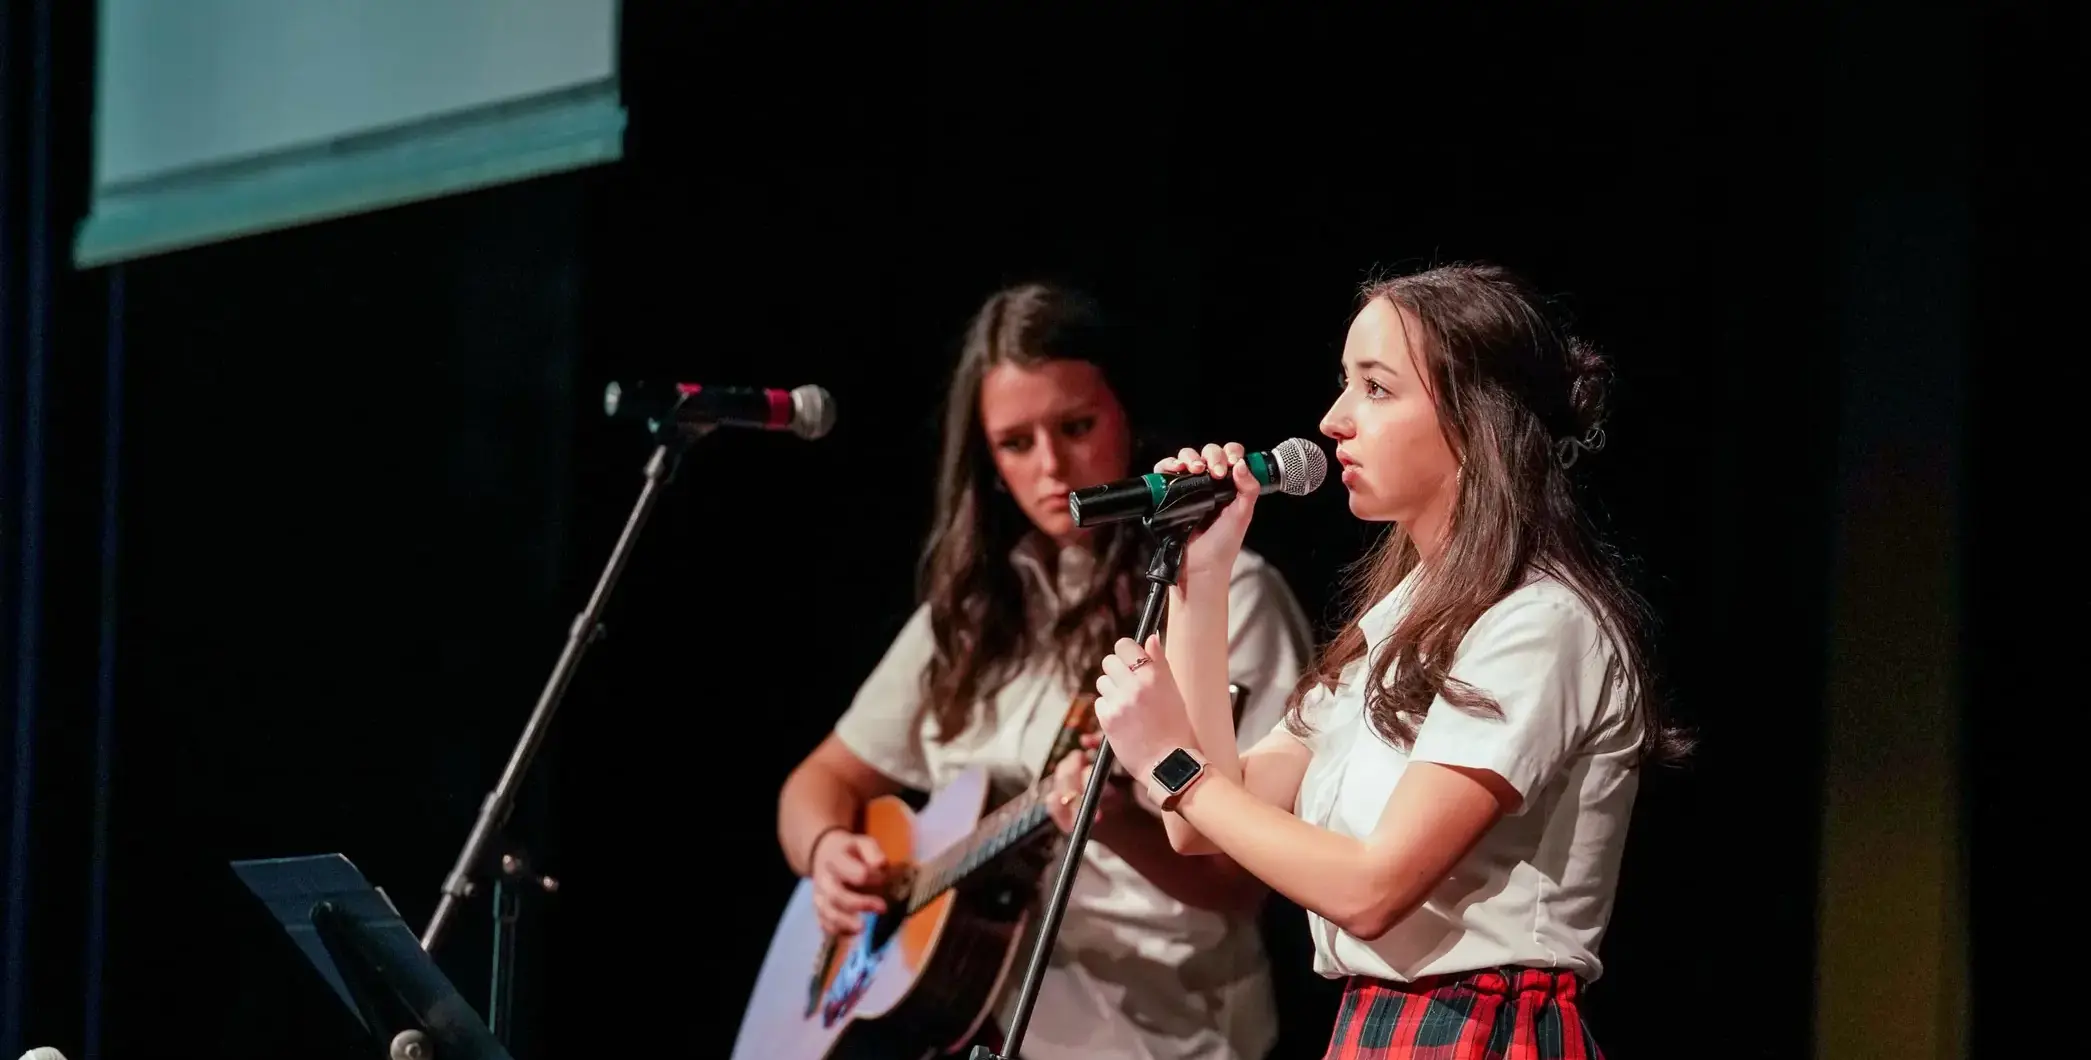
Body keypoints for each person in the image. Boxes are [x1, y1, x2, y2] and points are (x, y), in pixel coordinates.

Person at [1088, 263, 1690, 1059]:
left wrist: (1169, 763)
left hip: (1480, 1030)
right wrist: (1205, 575)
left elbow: (1371, 892)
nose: (1334, 420)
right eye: (1344, 385)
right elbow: (1207, 825)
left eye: (1375, 388)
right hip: (1377, 1027)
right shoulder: (1396, 628)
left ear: (1476, 422)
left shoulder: (1537, 624)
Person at [775, 281, 1316, 1060]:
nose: (1052, 465)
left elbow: (1238, 885)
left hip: (1164, 1032)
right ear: (987, 461)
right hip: (978, 1021)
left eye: (1076, 425)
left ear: (1127, 414)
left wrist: (1120, 821)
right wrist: (827, 849)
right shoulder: (967, 615)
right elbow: (816, 781)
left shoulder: (1226, 593)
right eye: (1015, 443)